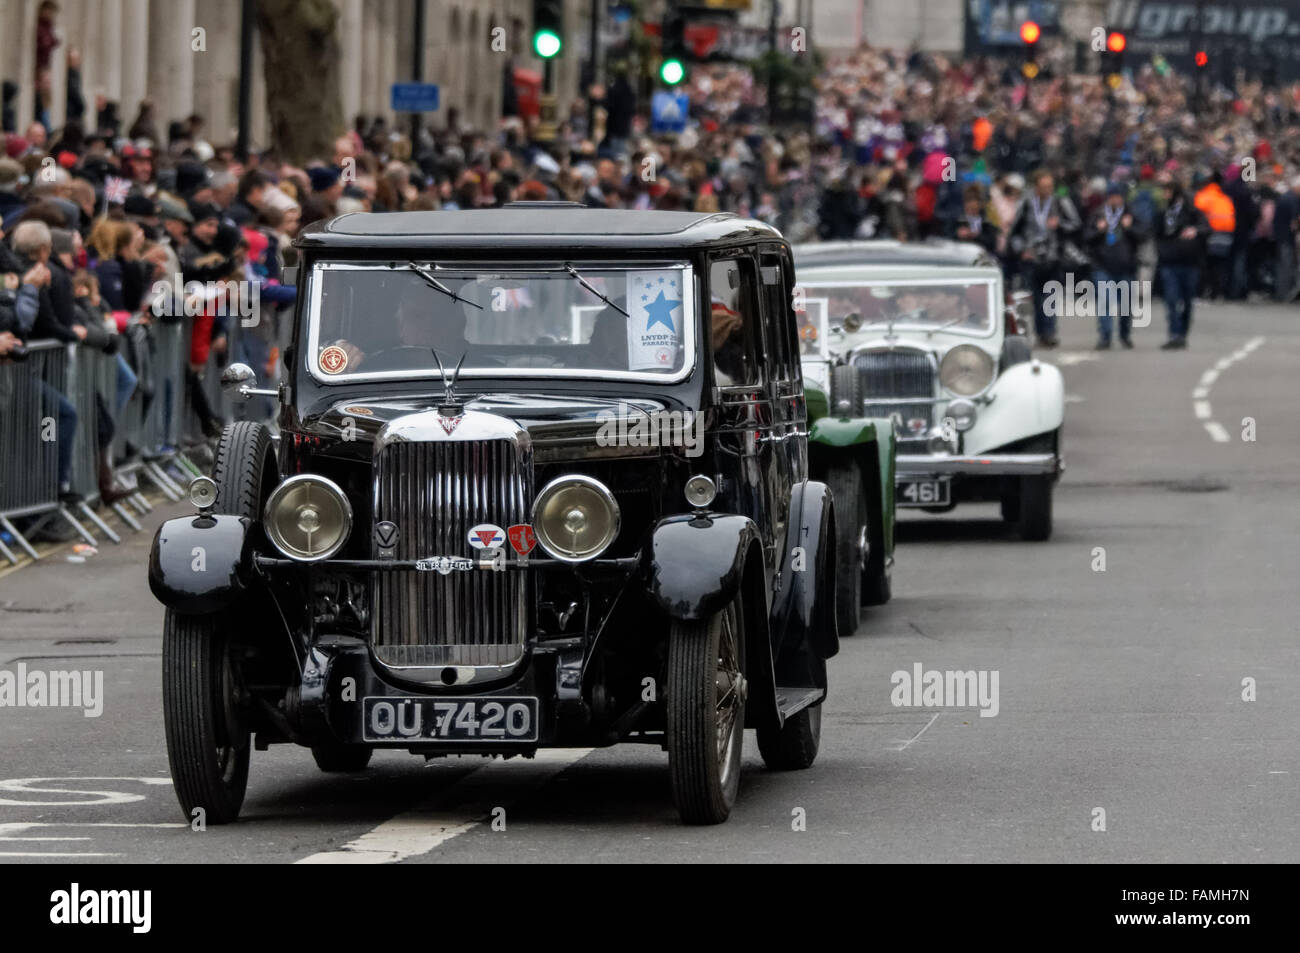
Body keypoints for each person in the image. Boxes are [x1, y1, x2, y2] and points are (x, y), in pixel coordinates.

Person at [1008, 171, 1082, 349]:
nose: (1047, 190)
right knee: (1036, 299)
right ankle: (1040, 332)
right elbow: (1015, 232)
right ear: (1036, 187)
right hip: (1032, 258)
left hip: (1053, 256)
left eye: (1050, 187)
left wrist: (1060, 225)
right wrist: (1021, 250)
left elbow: (1076, 225)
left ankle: (1049, 332)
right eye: (1043, 187)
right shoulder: (1026, 203)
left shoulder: (1060, 202)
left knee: (1051, 297)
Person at [1086, 183, 1145, 349]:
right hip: (1102, 265)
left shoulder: (1130, 214)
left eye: (1118, 196)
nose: (1115, 200)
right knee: (1104, 302)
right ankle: (1105, 336)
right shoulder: (1098, 214)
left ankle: (1125, 334)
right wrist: (1099, 231)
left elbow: (1143, 236)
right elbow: (1086, 237)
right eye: (1112, 196)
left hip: (1126, 266)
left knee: (1125, 305)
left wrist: (1129, 228)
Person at [1155, 181, 1209, 350]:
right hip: (1169, 263)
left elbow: (1207, 228)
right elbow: (1156, 233)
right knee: (1171, 300)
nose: (1165, 195)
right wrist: (1162, 251)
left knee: (1187, 301)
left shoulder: (1192, 212)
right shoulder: (1163, 213)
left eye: (1168, 191)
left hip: (1190, 263)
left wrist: (1196, 231)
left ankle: (1183, 332)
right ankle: (1174, 334)